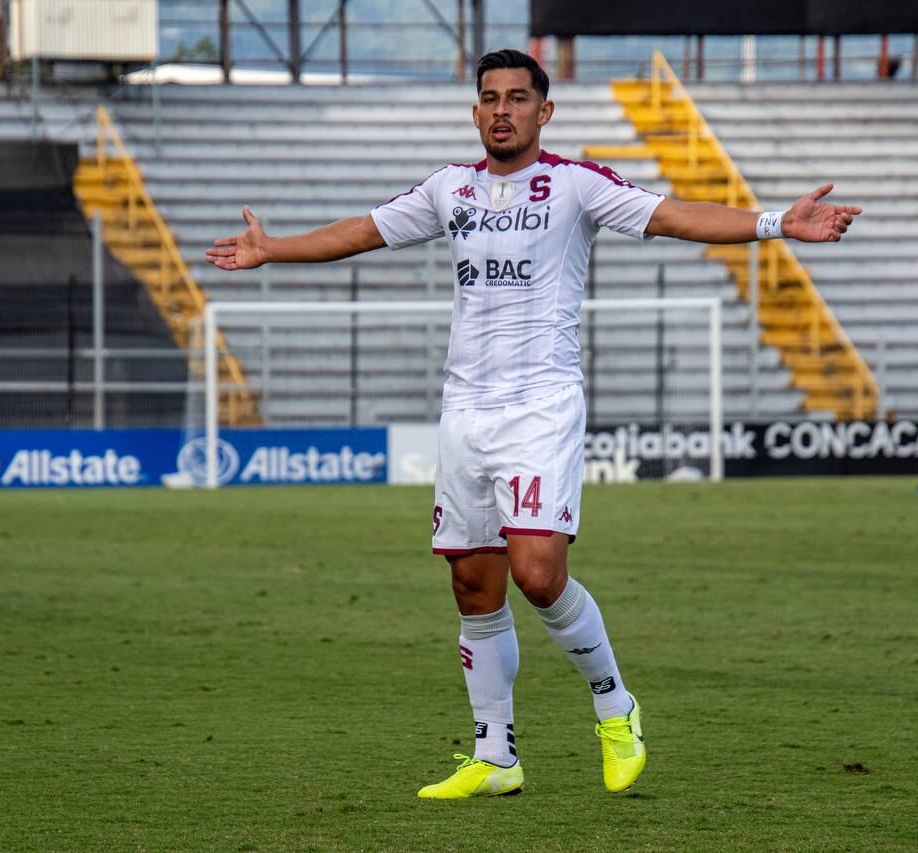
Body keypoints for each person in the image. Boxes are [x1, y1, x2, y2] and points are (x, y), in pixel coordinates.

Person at [206, 48, 860, 798]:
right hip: (465, 409)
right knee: (472, 584)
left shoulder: (577, 185)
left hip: (541, 404)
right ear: (475, 111)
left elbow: (676, 215)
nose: (502, 109)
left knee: (538, 574)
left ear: (544, 112)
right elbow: (362, 231)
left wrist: (776, 221)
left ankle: (616, 706)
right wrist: (271, 249)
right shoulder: (451, 189)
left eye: (519, 97)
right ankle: (495, 754)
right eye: (490, 97)